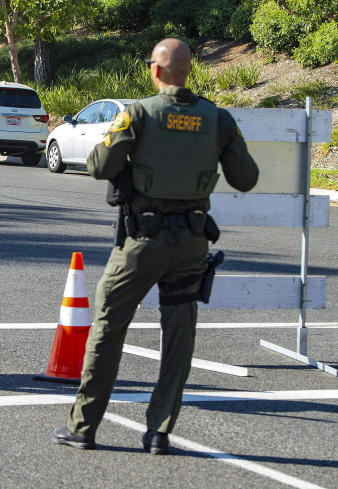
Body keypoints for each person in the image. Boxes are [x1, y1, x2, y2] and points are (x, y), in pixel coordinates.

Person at [52, 38, 259, 454]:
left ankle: (84, 426)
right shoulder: (218, 119)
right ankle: (160, 430)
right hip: (192, 242)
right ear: (188, 71)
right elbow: (246, 177)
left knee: (108, 327)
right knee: (179, 335)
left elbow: (100, 166)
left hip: (142, 241)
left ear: (155, 70)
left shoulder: (139, 114)